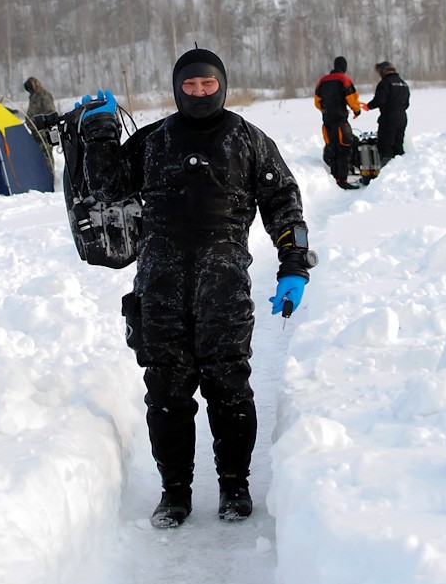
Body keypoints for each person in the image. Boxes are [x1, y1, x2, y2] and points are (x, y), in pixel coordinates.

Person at [78, 48, 316, 528]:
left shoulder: (248, 140)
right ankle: (175, 493)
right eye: (190, 85)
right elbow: (106, 189)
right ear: (176, 87)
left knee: (229, 390)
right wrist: (100, 132)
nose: (200, 92)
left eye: (208, 84)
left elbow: (284, 204)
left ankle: (234, 485)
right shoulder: (154, 140)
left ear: (222, 85)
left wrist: (294, 264)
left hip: (223, 287)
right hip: (159, 290)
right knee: (166, 394)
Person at [314, 56, 363, 189]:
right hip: (340, 121)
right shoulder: (344, 79)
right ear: (344, 67)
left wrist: (326, 110)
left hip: (327, 122)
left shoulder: (322, 81)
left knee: (332, 148)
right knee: (344, 149)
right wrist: (357, 111)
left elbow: (317, 102)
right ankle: (342, 180)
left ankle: (334, 177)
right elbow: (352, 99)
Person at [362, 61, 410, 165]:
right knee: (398, 146)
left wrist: (368, 106)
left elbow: (380, 100)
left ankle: (386, 172)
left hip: (388, 118)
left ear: (382, 71)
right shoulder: (403, 83)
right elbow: (406, 104)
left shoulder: (385, 83)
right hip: (402, 117)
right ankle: (402, 169)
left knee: (385, 146)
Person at [24, 76, 56, 174]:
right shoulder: (33, 97)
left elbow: (50, 112)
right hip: (35, 132)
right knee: (37, 155)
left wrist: (41, 125)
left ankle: (50, 175)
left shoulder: (44, 96)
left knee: (46, 154)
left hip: (43, 133)